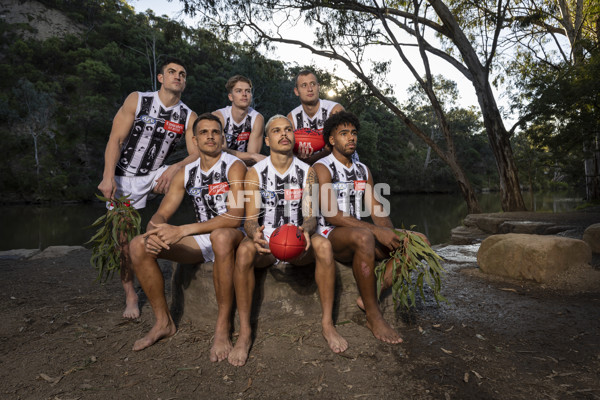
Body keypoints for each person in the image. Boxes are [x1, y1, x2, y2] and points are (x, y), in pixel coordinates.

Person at [228, 115, 348, 367]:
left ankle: (327, 324)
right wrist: (254, 234)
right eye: (276, 131)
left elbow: (311, 216)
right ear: (268, 139)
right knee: (243, 252)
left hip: (297, 239)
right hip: (268, 242)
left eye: (288, 129)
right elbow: (249, 219)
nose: (283, 134)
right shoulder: (254, 173)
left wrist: (305, 230)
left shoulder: (308, 173)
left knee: (324, 245)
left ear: (293, 136)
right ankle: (245, 332)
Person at [128, 113, 247, 361]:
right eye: (204, 132)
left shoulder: (234, 166)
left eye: (215, 132)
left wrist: (182, 230)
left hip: (231, 234)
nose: (210, 136)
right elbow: (161, 214)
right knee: (138, 245)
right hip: (201, 240)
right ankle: (163, 323)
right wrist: (155, 231)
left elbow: (236, 215)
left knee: (222, 237)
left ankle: (222, 327)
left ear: (222, 137)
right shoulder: (185, 173)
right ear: (194, 140)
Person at [98, 57, 199, 320]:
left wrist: (174, 167)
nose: (178, 76)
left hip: (156, 174)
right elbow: (115, 139)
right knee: (123, 241)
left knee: (190, 177)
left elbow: (196, 153)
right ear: (161, 78)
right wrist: (108, 177)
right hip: (125, 177)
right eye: (172, 72)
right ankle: (131, 294)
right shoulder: (138, 100)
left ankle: (190, 235)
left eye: (182, 74)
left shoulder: (188, 116)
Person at [313, 110, 408, 344]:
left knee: (417, 242)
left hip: (359, 233)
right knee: (365, 236)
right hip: (331, 234)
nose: (351, 138)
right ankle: (373, 316)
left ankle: (372, 293)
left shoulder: (363, 170)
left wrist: (391, 235)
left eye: (354, 133)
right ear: (332, 140)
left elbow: (376, 209)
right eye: (344, 133)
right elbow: (331, 214)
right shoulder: (322, 167)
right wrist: (377, 232)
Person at [287, 69, 345, 165]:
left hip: (342, 166)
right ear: (296, 91)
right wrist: (300, 157)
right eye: (304, 85)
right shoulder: (292, 118)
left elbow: (341, 148)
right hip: (310, 170)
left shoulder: (334, 110)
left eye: (313, 84)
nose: (310, 89)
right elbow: (289, 157)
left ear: (318, 87)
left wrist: (310, 160)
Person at [212, 75, 266, 166]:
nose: (244, 94)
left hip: (245, 166)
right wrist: (251, 156)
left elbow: (252, 159)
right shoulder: (219, 117)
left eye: (247, 91)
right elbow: (219, 152)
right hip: (219, 165)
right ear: (230, 97)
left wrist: (252, 156)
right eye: (239, 91)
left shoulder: (257, 118)